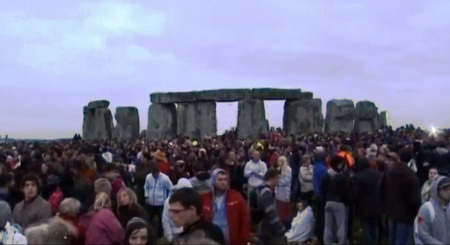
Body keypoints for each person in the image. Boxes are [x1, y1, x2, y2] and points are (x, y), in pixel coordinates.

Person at [382, 147, 421, 245]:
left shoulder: (389, 172)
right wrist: (417, 211)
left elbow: (382, 189)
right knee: (402, 240)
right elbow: (414, 198)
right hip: (406, 214)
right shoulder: (411, 176)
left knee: (392, 239)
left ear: (399, 157)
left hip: (391, 211)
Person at [202, 168, 251, 245]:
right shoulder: (205, 198)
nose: (223, 182)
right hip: (211, 236)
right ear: (213, 180)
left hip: (230, 236)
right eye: (220, 179)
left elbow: (245, 219)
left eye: (225, 180)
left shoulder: (236, 197)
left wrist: (244, 239)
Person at [321, 155, 352, 245]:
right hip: (339, 203)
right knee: (341, 225)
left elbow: (322, 189)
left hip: (328, 201)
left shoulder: (326, 176)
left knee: (328, 226)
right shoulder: (342, 178)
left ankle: (327, 242)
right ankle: (341, 242)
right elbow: (346, 192)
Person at [353, 157, 382, 245]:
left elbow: (356, 193)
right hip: (377, 203)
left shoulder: (358, 176)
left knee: (366, 225)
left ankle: (368, 242)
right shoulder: (378, 174)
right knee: (375, 225)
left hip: (364, 205)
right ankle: (375, 241)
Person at [415, 176, 450, 244]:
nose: (449, 192)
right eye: (445, 189)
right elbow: (423, 234)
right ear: (436, 191)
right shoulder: (426, 209)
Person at [257, 169, 285, 245]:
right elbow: (270, 212)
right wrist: (279, 227)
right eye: (278, 178)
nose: (279, 180)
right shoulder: (266, 192)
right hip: (267, 229)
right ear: (272, 178)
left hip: (265, 228)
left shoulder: (263, 190)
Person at [144, 164, 173, 237]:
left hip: (161, 204)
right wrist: (146, 195)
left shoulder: (165, 178)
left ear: (158, 172)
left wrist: (167, 199)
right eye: (153, 174)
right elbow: (146, 187)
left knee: (161, 221)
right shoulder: (148, 177)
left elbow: (171, 189)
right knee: (147, 219)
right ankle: (148, 233)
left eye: (155, 174)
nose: (154, 175)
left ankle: (160, 235)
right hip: (150, 203)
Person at [162, 178, 193, 243]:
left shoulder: (191, 201)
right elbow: (165, 220)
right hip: (174, 234)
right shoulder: (169, 202)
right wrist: (169, 237)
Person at [312, 146, 327, 244]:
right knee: (322, 218)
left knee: (318, 217)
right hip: (322, 195)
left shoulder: (315, 166)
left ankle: (317, 235)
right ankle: (320, 237)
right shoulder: (323, 169)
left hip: (316, 194)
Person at [275, 156, 292, 226]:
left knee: (285, 209)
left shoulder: (288, 170)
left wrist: (278, 182)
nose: (278, 163)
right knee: (279, 209)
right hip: (278, 192)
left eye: (279, 161)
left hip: (285, 192)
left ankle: (287, 224)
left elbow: (286, 181)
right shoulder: (278, 169)